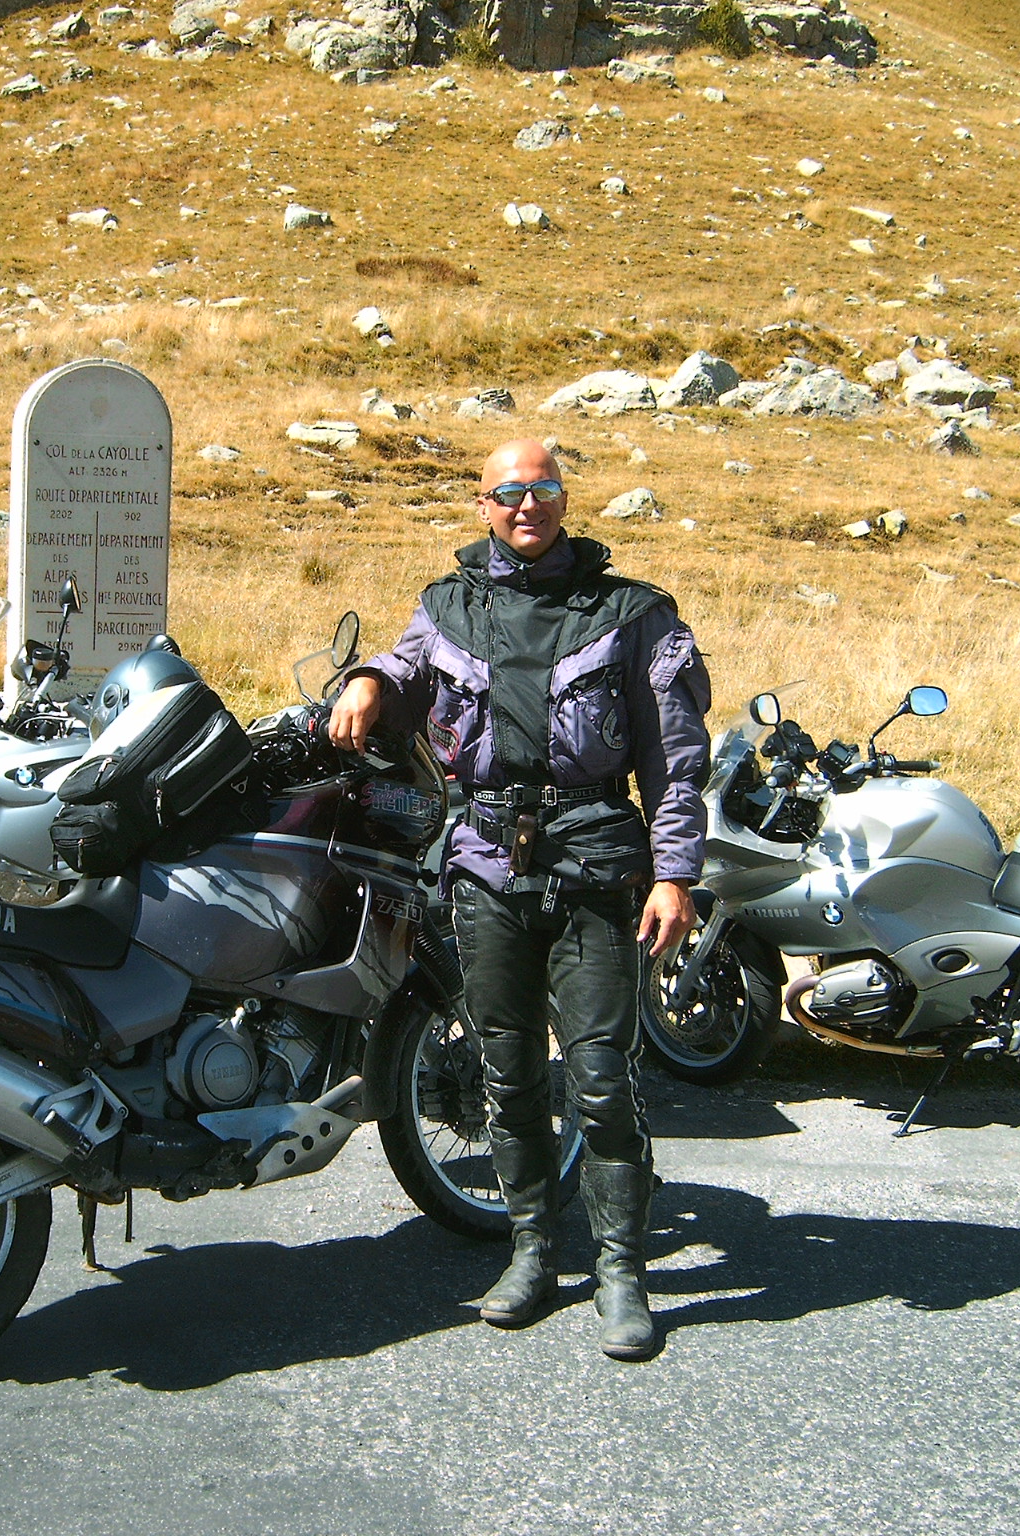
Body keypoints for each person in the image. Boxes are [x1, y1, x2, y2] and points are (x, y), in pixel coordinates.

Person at [330, 438, 711, 1361]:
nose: (526, 505)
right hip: (486, 865)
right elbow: (403, 670)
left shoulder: (634, 613)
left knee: (603, 1077)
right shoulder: (445, 608)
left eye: (542, 489)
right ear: (484, 505)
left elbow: (673, 758)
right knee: (506, 1075)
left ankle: (621, 1274)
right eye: (509, 492)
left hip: (595, 864)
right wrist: (368, 681)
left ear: (564, 498)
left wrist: (674, 875)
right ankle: (534, 1254)